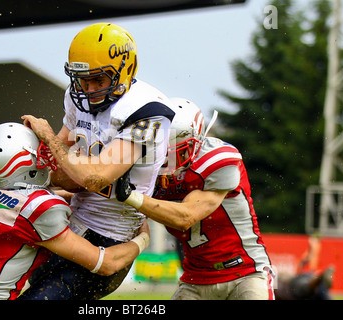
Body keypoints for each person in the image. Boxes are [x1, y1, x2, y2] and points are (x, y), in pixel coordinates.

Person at [19, 22, 175, 300]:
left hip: (109, 238)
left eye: (98, 81)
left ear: (125, 72)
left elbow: (96, 177)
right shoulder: (77, 97)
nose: (88, 89)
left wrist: (49, 140)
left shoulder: (147, 110)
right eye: (83, 80)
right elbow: (57, 160)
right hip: (70, 222)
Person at [0, 122, 149, 300]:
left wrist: (69, 194)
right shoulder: (35, 210)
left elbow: (8, 200)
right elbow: (106, 263)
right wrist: (143, 238)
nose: (45, 160)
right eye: (38, 156)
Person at [115, 98, 275, 300]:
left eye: (174, 152)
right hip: (196, 279)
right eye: (161, 151)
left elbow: (186, 217)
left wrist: (130, 195)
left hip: (245, 272)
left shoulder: (218, 161)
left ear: (196, 141)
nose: (166, 160)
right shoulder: (148, 169)